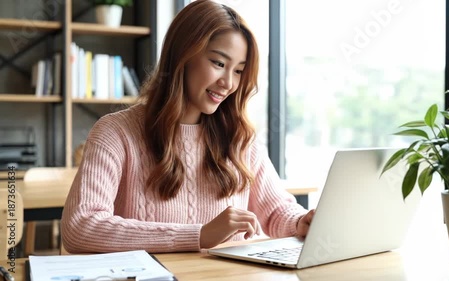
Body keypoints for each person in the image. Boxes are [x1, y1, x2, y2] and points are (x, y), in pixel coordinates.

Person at [60, 0, 315, 254]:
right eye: (218, 63)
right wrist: (199, 235)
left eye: (238, 71)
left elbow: (276, 210)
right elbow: (81, 227)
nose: (228, 83)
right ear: (183, 54)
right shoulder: (115, 132)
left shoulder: (240, 138)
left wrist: (300, 222)